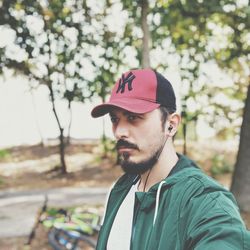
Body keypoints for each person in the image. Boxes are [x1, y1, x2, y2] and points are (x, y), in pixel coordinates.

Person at [91, 68, 250, 250]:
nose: (119, 132)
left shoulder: (203, 200)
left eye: (133, 117)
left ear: (171, 125)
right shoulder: (119, 190)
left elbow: (222, 236)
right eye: (114, 119)